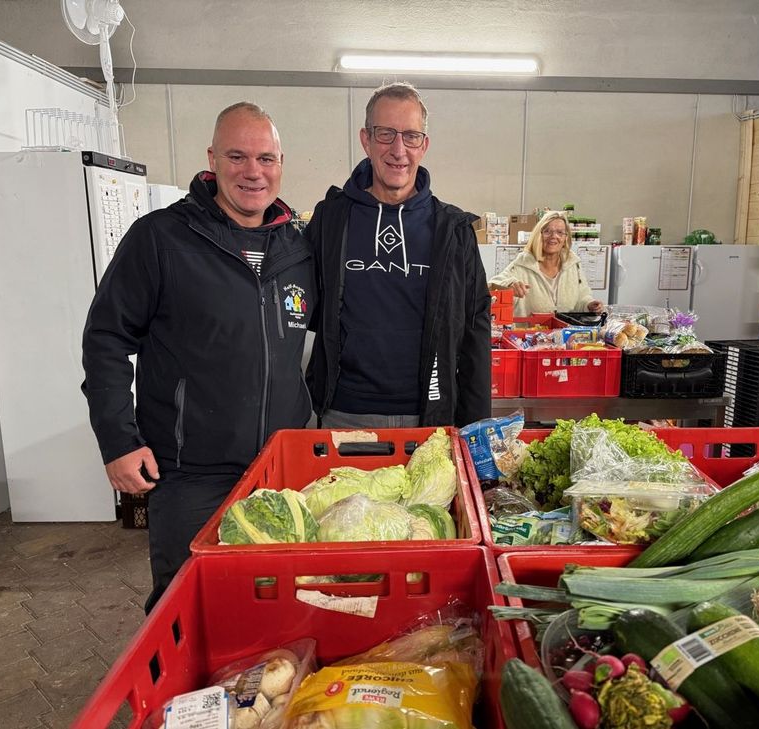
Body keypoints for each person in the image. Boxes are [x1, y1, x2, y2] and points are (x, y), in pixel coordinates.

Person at [81, 102, 314, 612]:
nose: (253, 172)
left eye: (266, 158)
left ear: (281, 164)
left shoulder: (297, 249)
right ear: (212, 159)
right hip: (192, 474)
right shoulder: (161, 238)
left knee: (279, 605)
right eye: (237, 156)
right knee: (188, 607)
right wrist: (118, 441)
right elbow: (106, 339)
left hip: (281, 468)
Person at [306, 81, 491, 429]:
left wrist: (476, 425)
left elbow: (475, 332)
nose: (398, 149)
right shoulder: (330, 220)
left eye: (410, 136)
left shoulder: (453, 231)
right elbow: (306, 310)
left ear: (424, 145)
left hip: (430, 416)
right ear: (366, 139)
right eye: (385, 134)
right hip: (344, 415)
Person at [488, 211, 605, 316]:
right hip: (529, 332)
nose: (554, 236)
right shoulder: (523, 263)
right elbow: (492, 286)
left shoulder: (573, 264)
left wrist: (589, 305)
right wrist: (509, 285)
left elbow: (582, 296)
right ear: (538, 235)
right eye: (547, 231)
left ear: (565, 238)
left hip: (566, 332)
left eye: (560, 232)